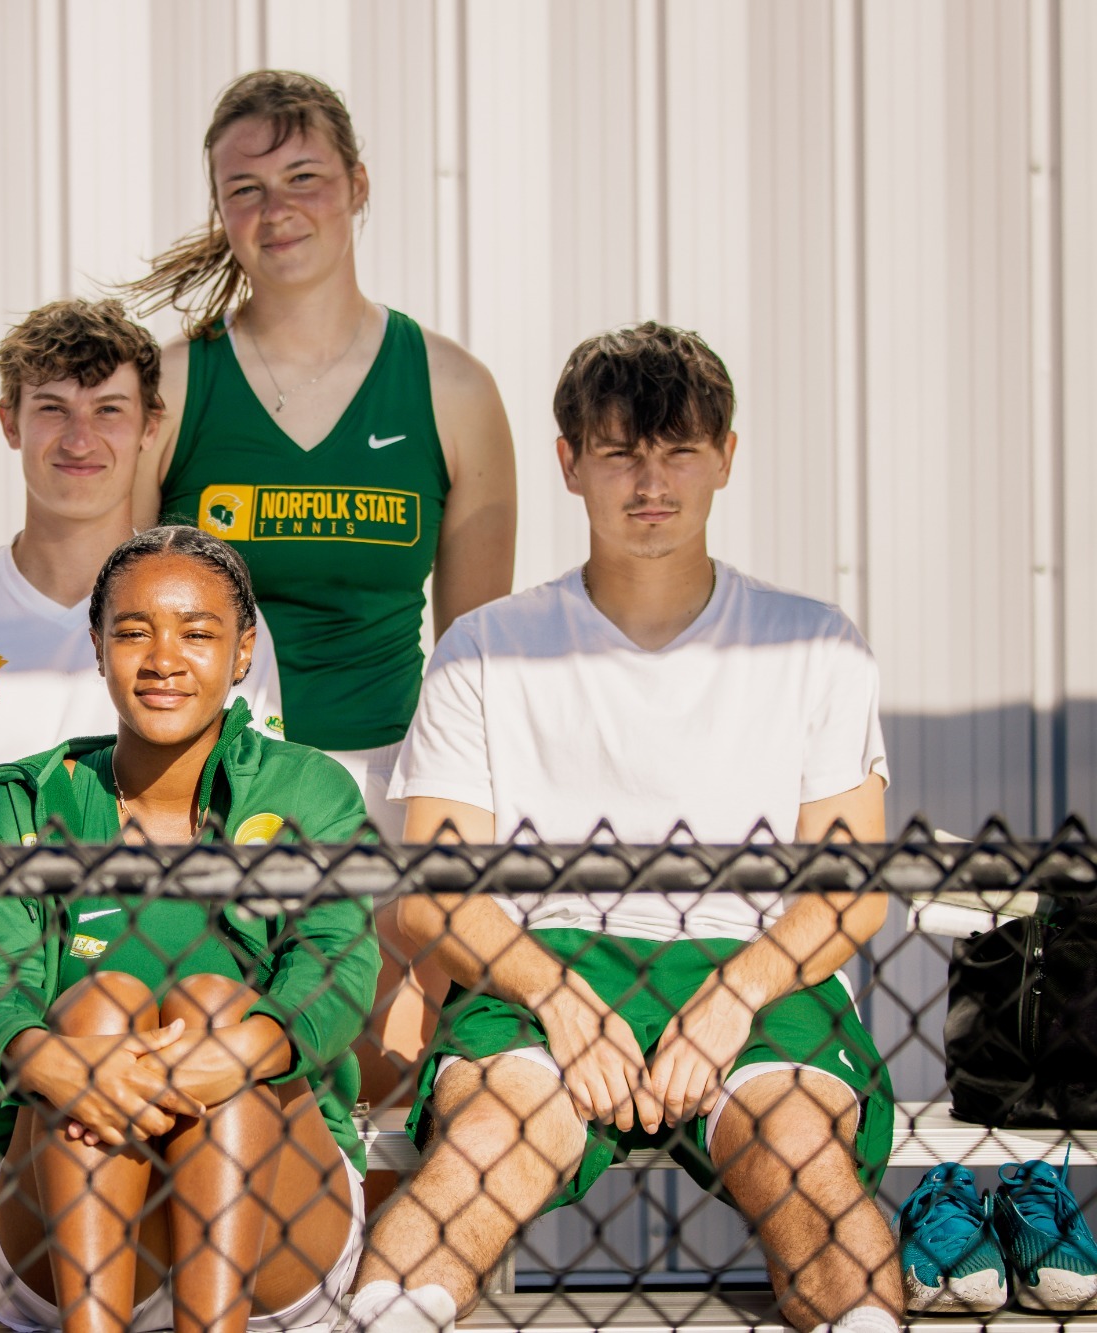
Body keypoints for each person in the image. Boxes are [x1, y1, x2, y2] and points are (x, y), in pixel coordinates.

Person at [349, 323, 900, 1333]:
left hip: (755, 963)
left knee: (799, 1156)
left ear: (725, 456)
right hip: (541, 962)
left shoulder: (813, 642)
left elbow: (847, 889)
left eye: (678, 450)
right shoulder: (488, 647)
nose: (650, 483)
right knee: (489, 1143)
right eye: (618, 453)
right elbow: (435, 895)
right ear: (568, 463)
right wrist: (557, 996)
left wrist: (733, 997)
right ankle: (387, 1316)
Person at [122, 69, 518, 1107]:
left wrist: (435, 882)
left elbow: (476, 662)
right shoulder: (174, 384)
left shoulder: (450, 388)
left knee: (374, 1078)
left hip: (388, 786)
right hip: (215, 784)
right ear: (219, 209)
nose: (277, 208)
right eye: (244, 188)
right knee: (207, 1054)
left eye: (303, 177)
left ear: (358, 185)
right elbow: (110, 608)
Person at [0, 299, 283, 1206]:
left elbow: (250, 832)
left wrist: (112, 960)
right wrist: (7, 971)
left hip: (168, 951)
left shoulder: (215, 626)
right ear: (10, 422)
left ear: (150, 426)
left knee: (210, 1020)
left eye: (108, 410)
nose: (80, 438)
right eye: (52, 409)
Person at [0, 526, 378, 1333]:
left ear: (243, 652)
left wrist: (234, 1054)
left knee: (216, 1005)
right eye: (134, 632)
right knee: (100, 1005)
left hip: (274, 1222)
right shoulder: (22, 803)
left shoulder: (309, 791)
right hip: (64, 1224)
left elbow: (338, 967)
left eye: (198, 633)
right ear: (98, 646)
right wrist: (64, 1065)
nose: (163, 659)